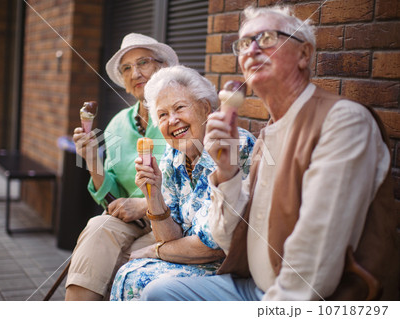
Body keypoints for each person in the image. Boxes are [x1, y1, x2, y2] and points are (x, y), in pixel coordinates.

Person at [141, 5, 399, 301]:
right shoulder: (268, 136)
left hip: (310, 298)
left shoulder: (342, 122)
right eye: (243, 43)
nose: (251, 50)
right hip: (251, 284)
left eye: (266, 39)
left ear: (304, 54)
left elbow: (313, 267)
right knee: (159, 293)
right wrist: (227, 173)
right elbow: (228, 239)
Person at [109, 65, 255, 300]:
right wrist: (153, 194)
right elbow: (169, 236)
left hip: (232, 268)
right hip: (194, 261)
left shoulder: (234, 146)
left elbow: (213, 246)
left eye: (179, 108)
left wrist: (155, 251)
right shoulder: (173, 155)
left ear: (205, 108)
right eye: (163, 115)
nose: (173, 120)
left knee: (140, 277)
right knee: (129, 273)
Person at [65, 33, 179, 301]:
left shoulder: (179, 115)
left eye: (143, 62)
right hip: (133, 222)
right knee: (96, 228)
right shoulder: (117, 123)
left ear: (163, 68)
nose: (135, 72)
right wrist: (92, 159)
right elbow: (111, 200)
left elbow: (194, 182)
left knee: (118, 264)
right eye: (127, 68)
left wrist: (144, 205)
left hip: (172, 221)